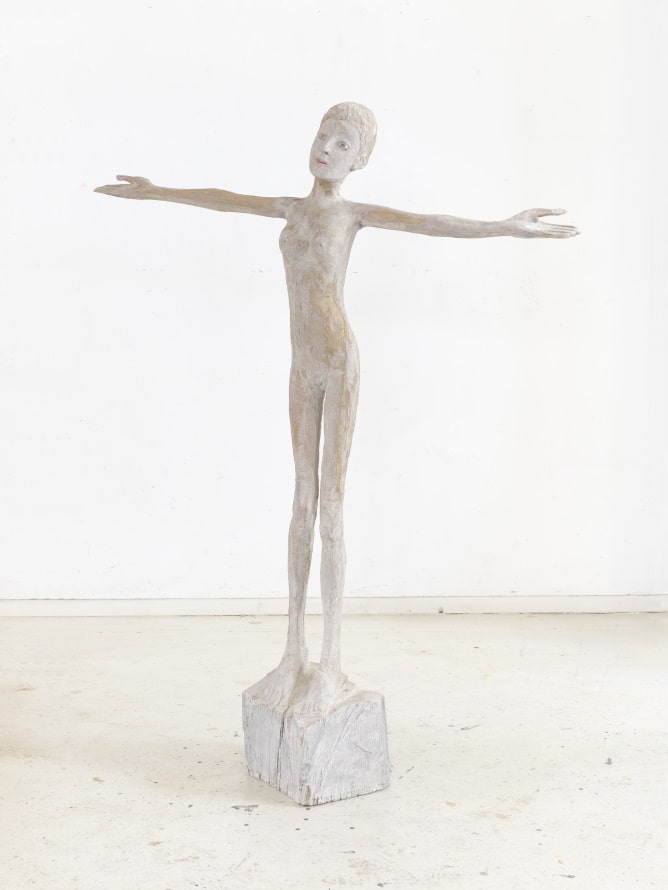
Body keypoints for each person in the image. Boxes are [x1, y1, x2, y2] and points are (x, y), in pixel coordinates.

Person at [95, 101, 578, 714]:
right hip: (302, 366)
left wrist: (505, 227)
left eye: (343, 143)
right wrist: (155, 191)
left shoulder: (353, 214)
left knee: (331, 507)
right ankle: (292, 652)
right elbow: (222, 198)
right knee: (300, 501)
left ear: (361, 160)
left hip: (340, 362)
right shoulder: (290, 208)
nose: (326, 148)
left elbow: (431, 223)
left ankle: (330, 663)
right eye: (323, 135)